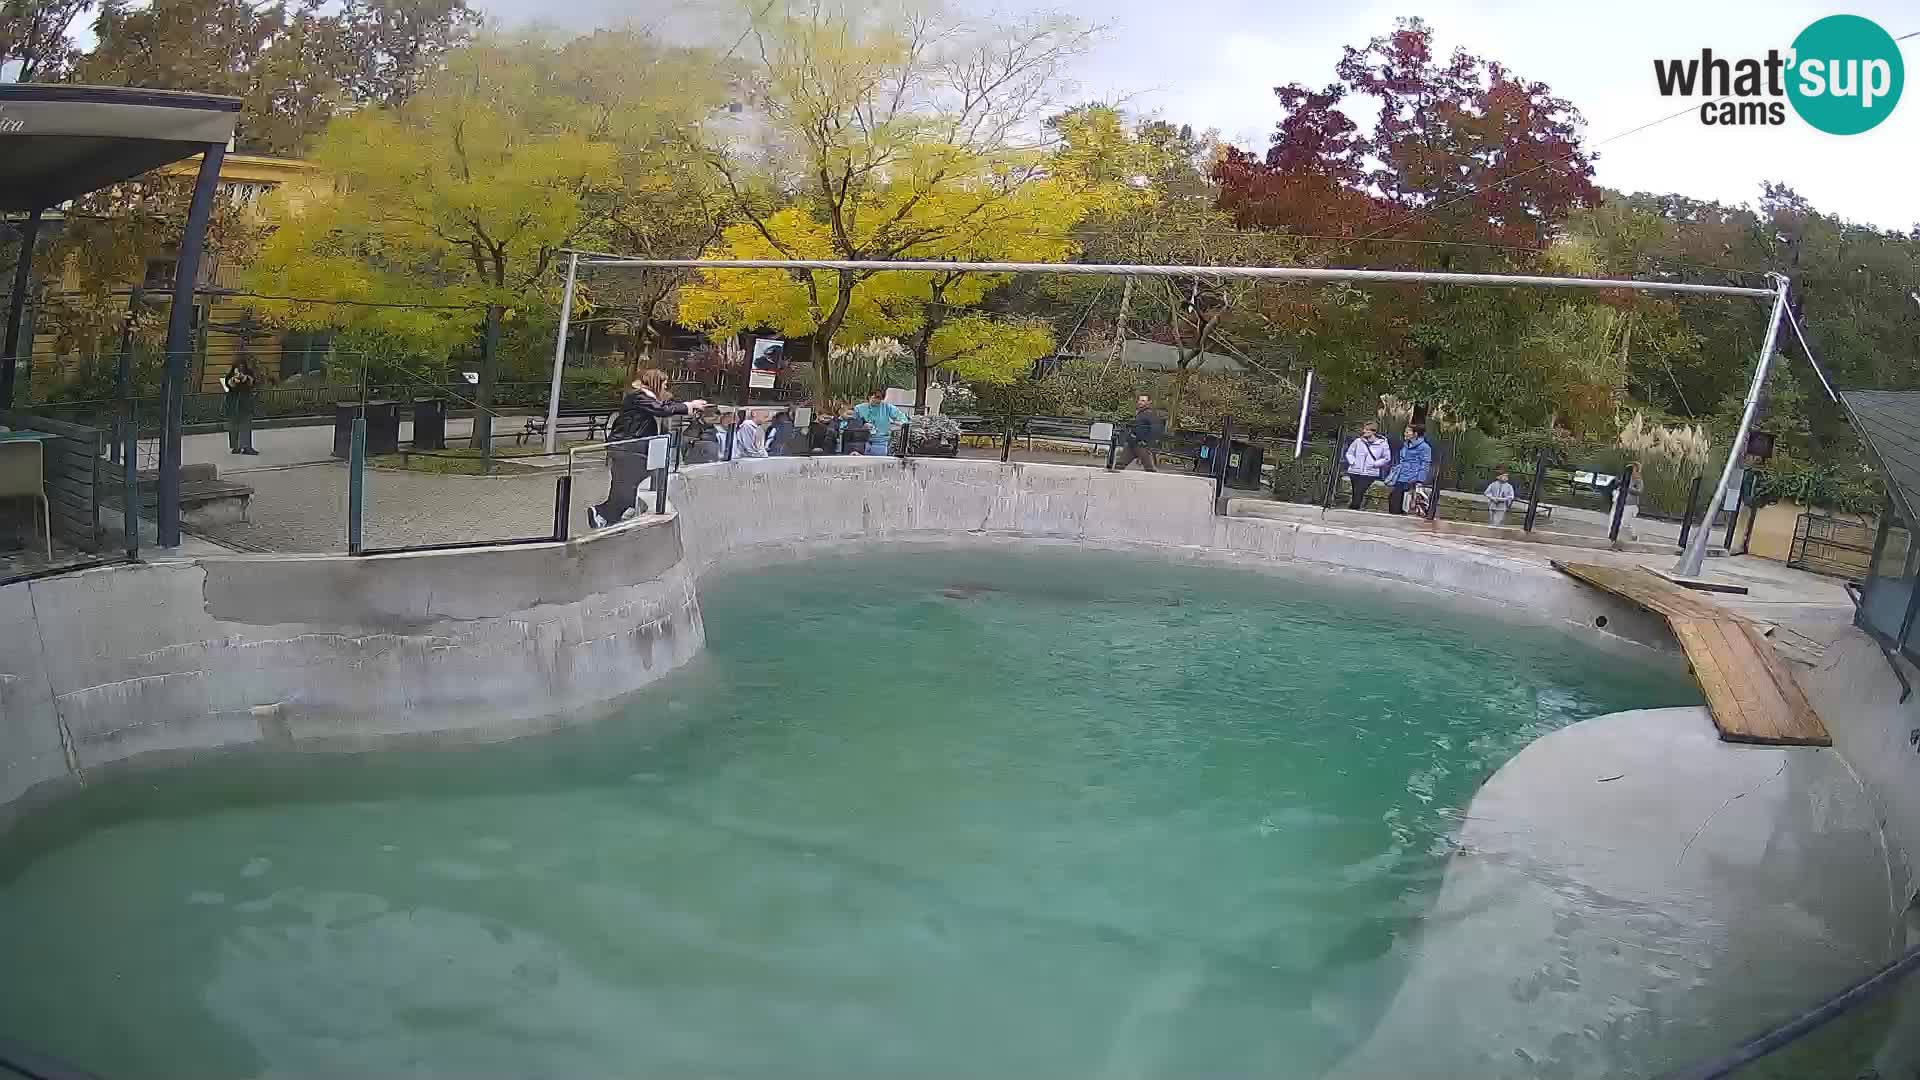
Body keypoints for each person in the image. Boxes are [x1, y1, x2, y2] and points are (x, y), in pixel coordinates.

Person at [588, 369, 705, 529]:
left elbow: (665, 405)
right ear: (656, 383)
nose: (666, 387)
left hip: (631, 447)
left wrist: (688, 406)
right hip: (626, 446)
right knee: (626, 486)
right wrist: (688, 406)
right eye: (663, 384)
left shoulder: (644, 398)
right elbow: (661, 409)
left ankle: (608, 517)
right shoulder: (638, 397)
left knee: (627, 486)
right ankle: (601, 513)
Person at [1342, 421, 1392, 509]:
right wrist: (1353, 462)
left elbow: (1387, 458)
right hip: (1355, 470)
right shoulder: (1358, 441)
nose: (1364, 431)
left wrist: (1375, 464)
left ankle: (1354, 507)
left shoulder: (1382, 443)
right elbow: (1349, 453)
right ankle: (1354, 508)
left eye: (1367, 430)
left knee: (1359, 490)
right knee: (1355, 491)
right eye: (1364, 429)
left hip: (1370, 472)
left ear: (1373, 432)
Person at [1386, 423, 1431, 516]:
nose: (1405, 434)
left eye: (1408, 432)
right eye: (1405, 431)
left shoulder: (1424, 447)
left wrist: (1420, 480)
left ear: (1415, 434)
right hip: (1401, 475)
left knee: (1400, 499)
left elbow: (1425, 464)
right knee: (1395, 498)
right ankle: (1396, 515)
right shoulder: (1406, 445)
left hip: (1412, 477)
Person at [1111, 393, 1164, 471]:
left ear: (1149, 402)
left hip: (1141, 445)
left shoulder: (1150, 414)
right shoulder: (1140, 413)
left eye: (1143, 401)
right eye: (1140, 400)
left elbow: (1155, 430)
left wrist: (1146, 442)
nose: (1141, 402)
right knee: (1119, 464)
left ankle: (1155, 481)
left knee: (1149, 468)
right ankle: (1114, 480)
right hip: (1132, 444)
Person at [222, 356, 260, 455]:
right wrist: (234, 380)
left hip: (245, 403)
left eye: (242, 366)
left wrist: (245, 378)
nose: (240, 368)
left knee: (246, 425)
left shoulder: (249, 373)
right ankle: (236, 447)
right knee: (233, 427)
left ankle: (246, 447)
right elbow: (228, 384)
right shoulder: (230, 375)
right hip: (233, 404)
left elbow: (253, 383)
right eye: (238, 366)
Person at [852, 388, 906, 457]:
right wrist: (863, 426)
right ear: (869, 397)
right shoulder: (859, 408)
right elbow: (853, 424)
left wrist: (897, 423)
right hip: (862, 443)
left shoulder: (887, 408)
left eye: (878, 398)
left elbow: (903, 419)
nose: (874, 399)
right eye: (873, 396)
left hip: (881, 443)